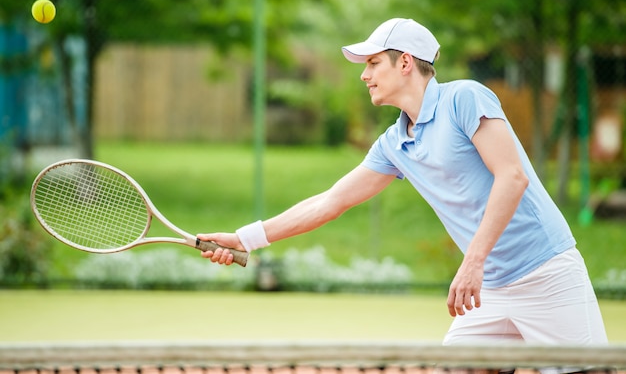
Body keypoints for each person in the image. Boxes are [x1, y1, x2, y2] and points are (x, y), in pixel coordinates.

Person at [198, 17, 608, 346]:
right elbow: (330, 202)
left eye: (373, 63)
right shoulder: (394, 144)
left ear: (406, 63)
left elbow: (512, 176)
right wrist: (245, 238)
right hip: (488, 289)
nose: (364, 76)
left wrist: (473, 261)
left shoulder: (465, 98)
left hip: (545, 273)